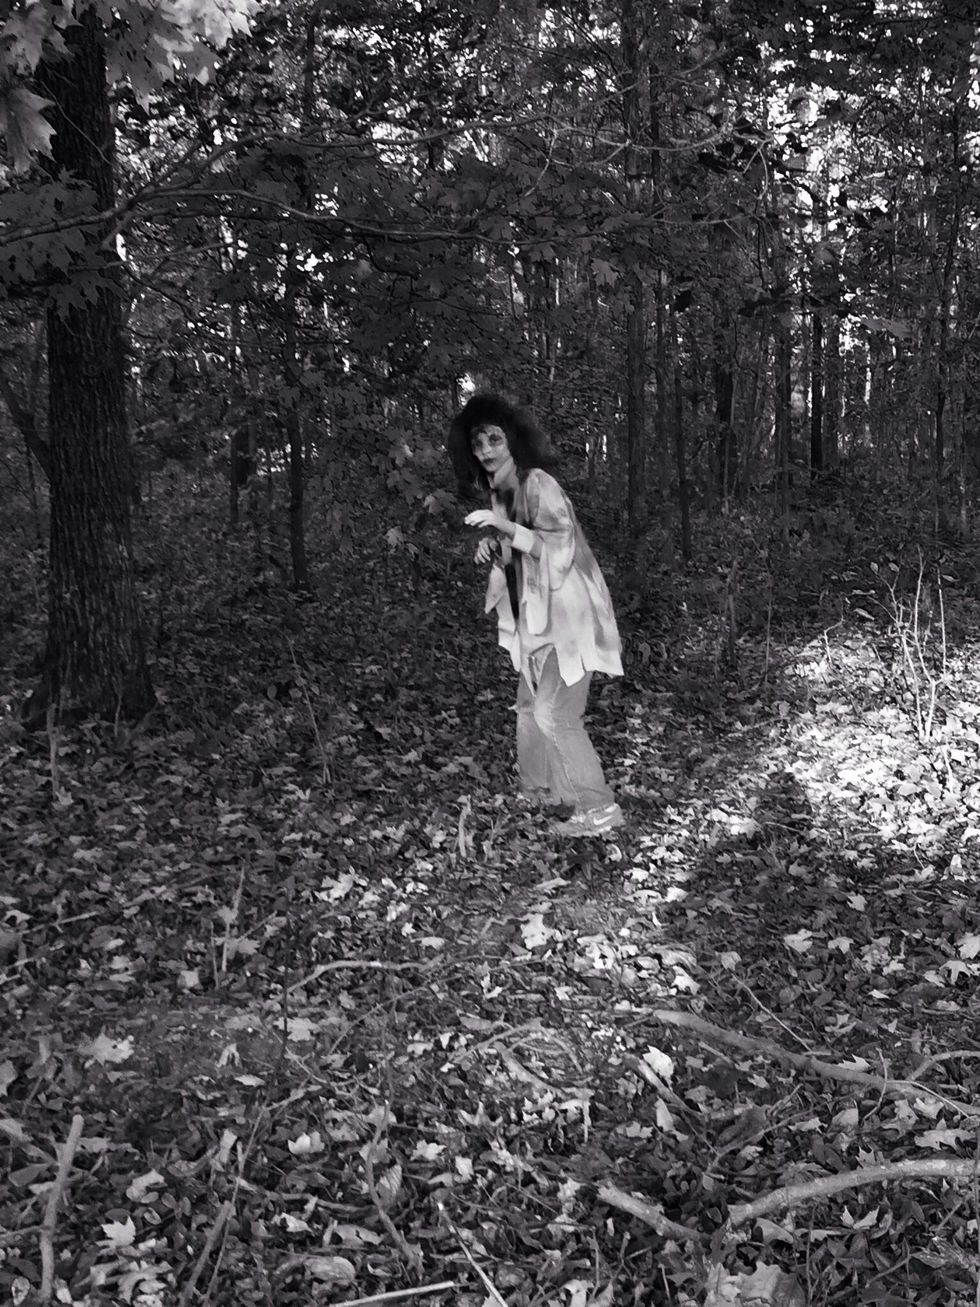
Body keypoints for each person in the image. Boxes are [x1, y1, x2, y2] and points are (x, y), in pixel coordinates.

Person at [448, 392, 624, 836]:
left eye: (494, 439)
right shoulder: (501, 491)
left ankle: (599, 809)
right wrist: (495, 547)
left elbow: (560, 548)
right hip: (537, 620)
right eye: (477, 443)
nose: (486, 450)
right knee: (529, 707)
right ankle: (544, 792)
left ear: (512, 439)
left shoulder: (538, 483)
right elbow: (521, 555)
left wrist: (506, 528)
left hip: (570, 618)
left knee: (555, 714)